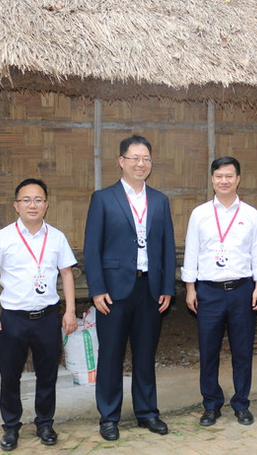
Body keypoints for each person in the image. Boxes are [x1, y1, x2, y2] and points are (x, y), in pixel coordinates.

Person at [84, 135, 176, 442]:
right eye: (134, 158)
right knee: (110, 354)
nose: (141, 164)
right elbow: (91, 247)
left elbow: (166, 247)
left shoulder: (160, 200)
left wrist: (167, 287)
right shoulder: (103, 198)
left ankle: (147, 412)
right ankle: (109, 416)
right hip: (113, 290)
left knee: (145, 353)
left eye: (146, 159)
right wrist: (96, 289)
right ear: (121, 161)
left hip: (149, 288)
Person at [0, 178, 77, 451]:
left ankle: (45, 422)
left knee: (48, 374)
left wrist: (70, 311)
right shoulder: (2, 237)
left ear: (46, 204)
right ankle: (11, 427)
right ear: (16, 205)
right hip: (12, 319)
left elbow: (67, 274)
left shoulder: (57, 237)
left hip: (47, 317)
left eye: (38, 200)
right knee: (10, 375)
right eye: (26, 200)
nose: (32, 205)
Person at [181, 156, 257, 427]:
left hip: (242, 290)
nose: (224, 181)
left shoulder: (250, 214)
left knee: (242, 351)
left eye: (229, 176)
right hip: (209, 292)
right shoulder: (200, 214)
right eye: (219, 176)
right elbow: (192, 252)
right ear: (212, 179)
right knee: (209, 351)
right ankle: (211, 404)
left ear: (238, 179)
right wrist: (190, 289)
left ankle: (241, 403)